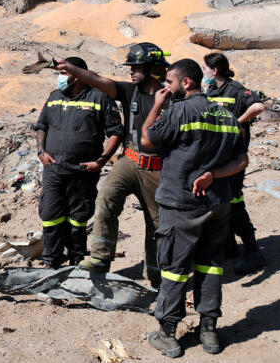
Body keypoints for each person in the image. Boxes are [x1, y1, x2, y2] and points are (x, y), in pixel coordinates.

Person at [141, 58, 248, 358]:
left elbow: (146, 139)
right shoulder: (226, 116)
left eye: (170, 83)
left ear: (186, 83)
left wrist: (156, 105)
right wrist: (214, 175)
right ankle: (209, 332)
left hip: (182, 204)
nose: (166, 88)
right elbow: (242, 161)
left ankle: (168, 334)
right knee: (211, 265)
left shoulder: (179, 110)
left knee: (174, 270)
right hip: (217, 204)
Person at [56, 42, 170, 287]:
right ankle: (100, 258)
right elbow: (97, 79)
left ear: (151, 68)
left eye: (136, 67)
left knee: (156, 223)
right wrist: (71, 68)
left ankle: (156, 275)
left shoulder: (170, 98)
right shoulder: (130, 91)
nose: (131, 71)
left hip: (158, 168)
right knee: (106, 198)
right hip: (129, 160)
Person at [34, 57, 123, 267]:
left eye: (64, 74)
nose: (60, 79)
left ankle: (75, 262)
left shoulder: (99, 98)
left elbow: (116, 133)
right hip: (53, 170)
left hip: (82, 172)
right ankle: (52, 263)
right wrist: (41, 152)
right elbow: (41, 126)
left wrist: (100, 162)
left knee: (77, 220)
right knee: (50, 217)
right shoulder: (54, 97)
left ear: (79, 75)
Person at [202, 52, 266, 274]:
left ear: (215, 70)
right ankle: (229, 247)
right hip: (215, 156)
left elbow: (258, 107)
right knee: (219, 203)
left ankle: (253, 251)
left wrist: (237, 123)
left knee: (235, 203)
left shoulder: (236, 90)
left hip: (233, 158)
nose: (204, 73)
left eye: (205, 69)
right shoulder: (210, 92)